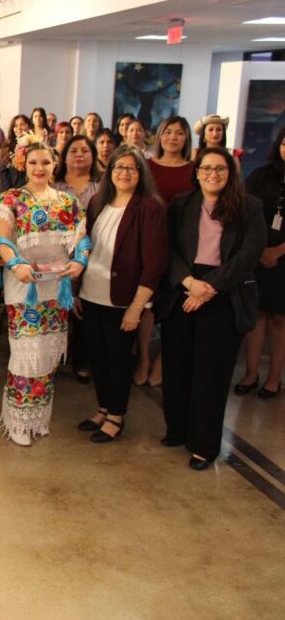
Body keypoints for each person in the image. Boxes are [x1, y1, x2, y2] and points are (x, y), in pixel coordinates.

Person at [160, 147, 265, 470]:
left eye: (220, 169)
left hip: (225, 293)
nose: (213, 174)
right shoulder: (181, 204)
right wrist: (189, 282)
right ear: (197, 172)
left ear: (230, 173)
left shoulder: (248, 206)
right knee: (177, 367)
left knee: (212, 374)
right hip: (184, 287)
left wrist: (209, 288)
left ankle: (204, 444)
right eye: (206, 168)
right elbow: (169, 249)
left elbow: (248, 255)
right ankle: (177, 430)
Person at [0, 142, 87, 446]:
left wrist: (80, 261)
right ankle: (18, 421)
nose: (39, 168)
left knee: (49, 355)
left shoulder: (68, 201)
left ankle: (38, 418)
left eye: (45, 162)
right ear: (23, 165)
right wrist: (15, 264)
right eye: (33, 163)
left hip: (57, 288)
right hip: (24, 286)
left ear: (54, 165)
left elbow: (82, 238)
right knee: (27, 354)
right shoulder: (10, 199)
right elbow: (3, 241)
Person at [77, 145, 167, 443]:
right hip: (91, 293)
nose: (124, 173)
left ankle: (116, 415)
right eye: (119, 167)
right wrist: (76, 291)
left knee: (117, 360)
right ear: (110, 171)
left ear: (141, 173)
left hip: (123, 299)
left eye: (131, 168)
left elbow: (154, 264)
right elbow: (84, 248)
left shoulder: (149, 208)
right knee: (98, 357)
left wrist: (136, 307)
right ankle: (103, 408)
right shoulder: (98, 202)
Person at [138, 115, 193, 387]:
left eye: (179, 133)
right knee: (146, 302)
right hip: (149, 240)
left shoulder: (194, 169)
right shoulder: (146, 166)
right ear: (159, 136)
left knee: (173, 304)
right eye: (168, 132)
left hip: (182, 244)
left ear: (186, 138)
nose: (173, 137)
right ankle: (143, 359)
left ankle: (161, 363)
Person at [236, 126, 285, 399]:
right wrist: (261, 250)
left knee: (279, 319)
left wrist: (277, 251)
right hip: (257, 254)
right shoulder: (260, 176)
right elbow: (244, 213)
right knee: (255, 315)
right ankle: (251, 373)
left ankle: (274, 377)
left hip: (283, 259)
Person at [54, 135, 102, 383]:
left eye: (85, 150)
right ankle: (53, 358)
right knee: (57, 304)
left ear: (93, 156)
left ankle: (82, 360)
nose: (79, 155)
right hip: (58, 252)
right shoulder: (54, 186)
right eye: (73, 151)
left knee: (84, 306)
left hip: (94, 251)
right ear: (64, 157)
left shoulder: (102, 186)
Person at [0, 114, 31, 192]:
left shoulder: (34, 146)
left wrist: (19, 189)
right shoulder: (8, 146)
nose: (19, 128)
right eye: (15, 126)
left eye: (22, 125)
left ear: (29, 126)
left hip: (27, 189)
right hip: (7, 189)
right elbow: (4, 171)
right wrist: (9, 189)